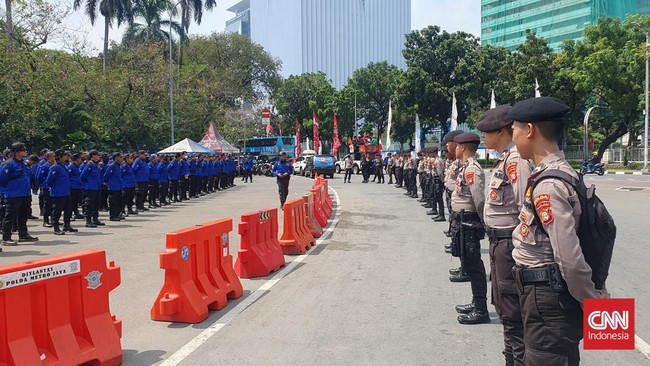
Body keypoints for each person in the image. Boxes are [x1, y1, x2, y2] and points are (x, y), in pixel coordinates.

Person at [509, 97, 605, 365]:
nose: (513, 138)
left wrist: (593, 304)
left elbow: (570, 260)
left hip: (548, 299)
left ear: (529, 130)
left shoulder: (548, 185)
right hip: (550, 296)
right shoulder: (563, 174)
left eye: (514, 130)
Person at [477, 105, 533, 365]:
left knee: (513, 315)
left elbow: (524, 208)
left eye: (486, 132)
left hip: (510, 245)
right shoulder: (505, 159)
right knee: (504, 309)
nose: (483, 138)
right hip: (499, 244)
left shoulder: (516, 162)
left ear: (500, 131)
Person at [450, 132, 490, 325]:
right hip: (462, 221)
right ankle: (476, 302)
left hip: (469, 221)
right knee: (469, 262)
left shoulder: (472, 169)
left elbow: (479, 199)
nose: (454, 149)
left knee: (474, 265)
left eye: (457, 146)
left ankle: (481, 309)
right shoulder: (465, 167)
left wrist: (483, 222)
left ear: (463, 147)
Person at [1, 142, 39, 246]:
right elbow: (2, 180)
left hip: (25, 194)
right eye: (23, 150)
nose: (25, 152)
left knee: (23, 215)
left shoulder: (24, 164)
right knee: (10, 216)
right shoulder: (9, 165)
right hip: (13, 194)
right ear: (17, 152)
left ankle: (23, 234)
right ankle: (6, 237)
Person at [47, 150, 78, 234]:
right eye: (65, 155)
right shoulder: (55, 167)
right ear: (60, 156)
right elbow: (49, 180)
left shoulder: (63, 166)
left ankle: (67, 225)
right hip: (58, 193)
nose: (67, 157)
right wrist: (55, 188)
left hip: (66, 192)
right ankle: (56, 228)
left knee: (68, 209)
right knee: (57, 211)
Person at [80, 150, 105, 228]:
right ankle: (88, 221)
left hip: (97, 187)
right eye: (97, 155)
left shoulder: (96, 164)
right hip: (90, 187)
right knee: (89, 204)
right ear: (93, 156)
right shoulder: (89, 164)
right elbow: (82, 176)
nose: (99, 156)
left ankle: (95, 219)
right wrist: (87, 183)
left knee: (96, 204)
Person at [104, 152, 124, 221]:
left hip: (119, 186)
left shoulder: (119, 166)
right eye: (120, 157)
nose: (122, 159)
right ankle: (113, 216)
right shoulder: (112, 166)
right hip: (113, 187)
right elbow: (106, 175)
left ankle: (118, 214)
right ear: (116, 158)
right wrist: (106, 182)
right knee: (113, 202)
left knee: (119, 202)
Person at [37, 151, 55, 228]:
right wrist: (44, 184)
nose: (54, 158)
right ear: (49, 157)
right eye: (53, 156)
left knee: (53, 204)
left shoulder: (55, 166)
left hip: (54, 187)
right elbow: (39, 178)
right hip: (46, 187)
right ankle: (46, 220)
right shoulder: (44, 166)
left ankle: (53, 219)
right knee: (47, 204)